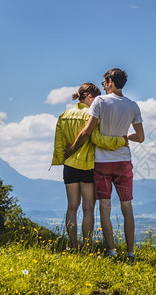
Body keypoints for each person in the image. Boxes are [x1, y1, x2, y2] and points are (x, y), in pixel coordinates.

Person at [65, 68, 144, 258]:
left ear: (109, 82)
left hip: (102, 163)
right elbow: (140, 137)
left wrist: (72, 149)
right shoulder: (133, 105)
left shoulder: (100, 101)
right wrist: (123, 137)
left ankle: (111, 251)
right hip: (124, 161)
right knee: (127, 206)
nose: (103, 86)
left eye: (103, 82)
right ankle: (131, 252)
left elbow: (87, 131)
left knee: (105, 207)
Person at [51, 83, 127, 249]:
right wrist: (121, 140)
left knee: (71, 207)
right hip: (88, 165)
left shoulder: (64, 115)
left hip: (69, 166)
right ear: (90, 97)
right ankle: (87, 247)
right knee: (88, 208)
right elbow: (97, 139)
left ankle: (73, 245)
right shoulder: (92, 115)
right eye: (96, 98)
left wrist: (62, 159)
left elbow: (59, 143)